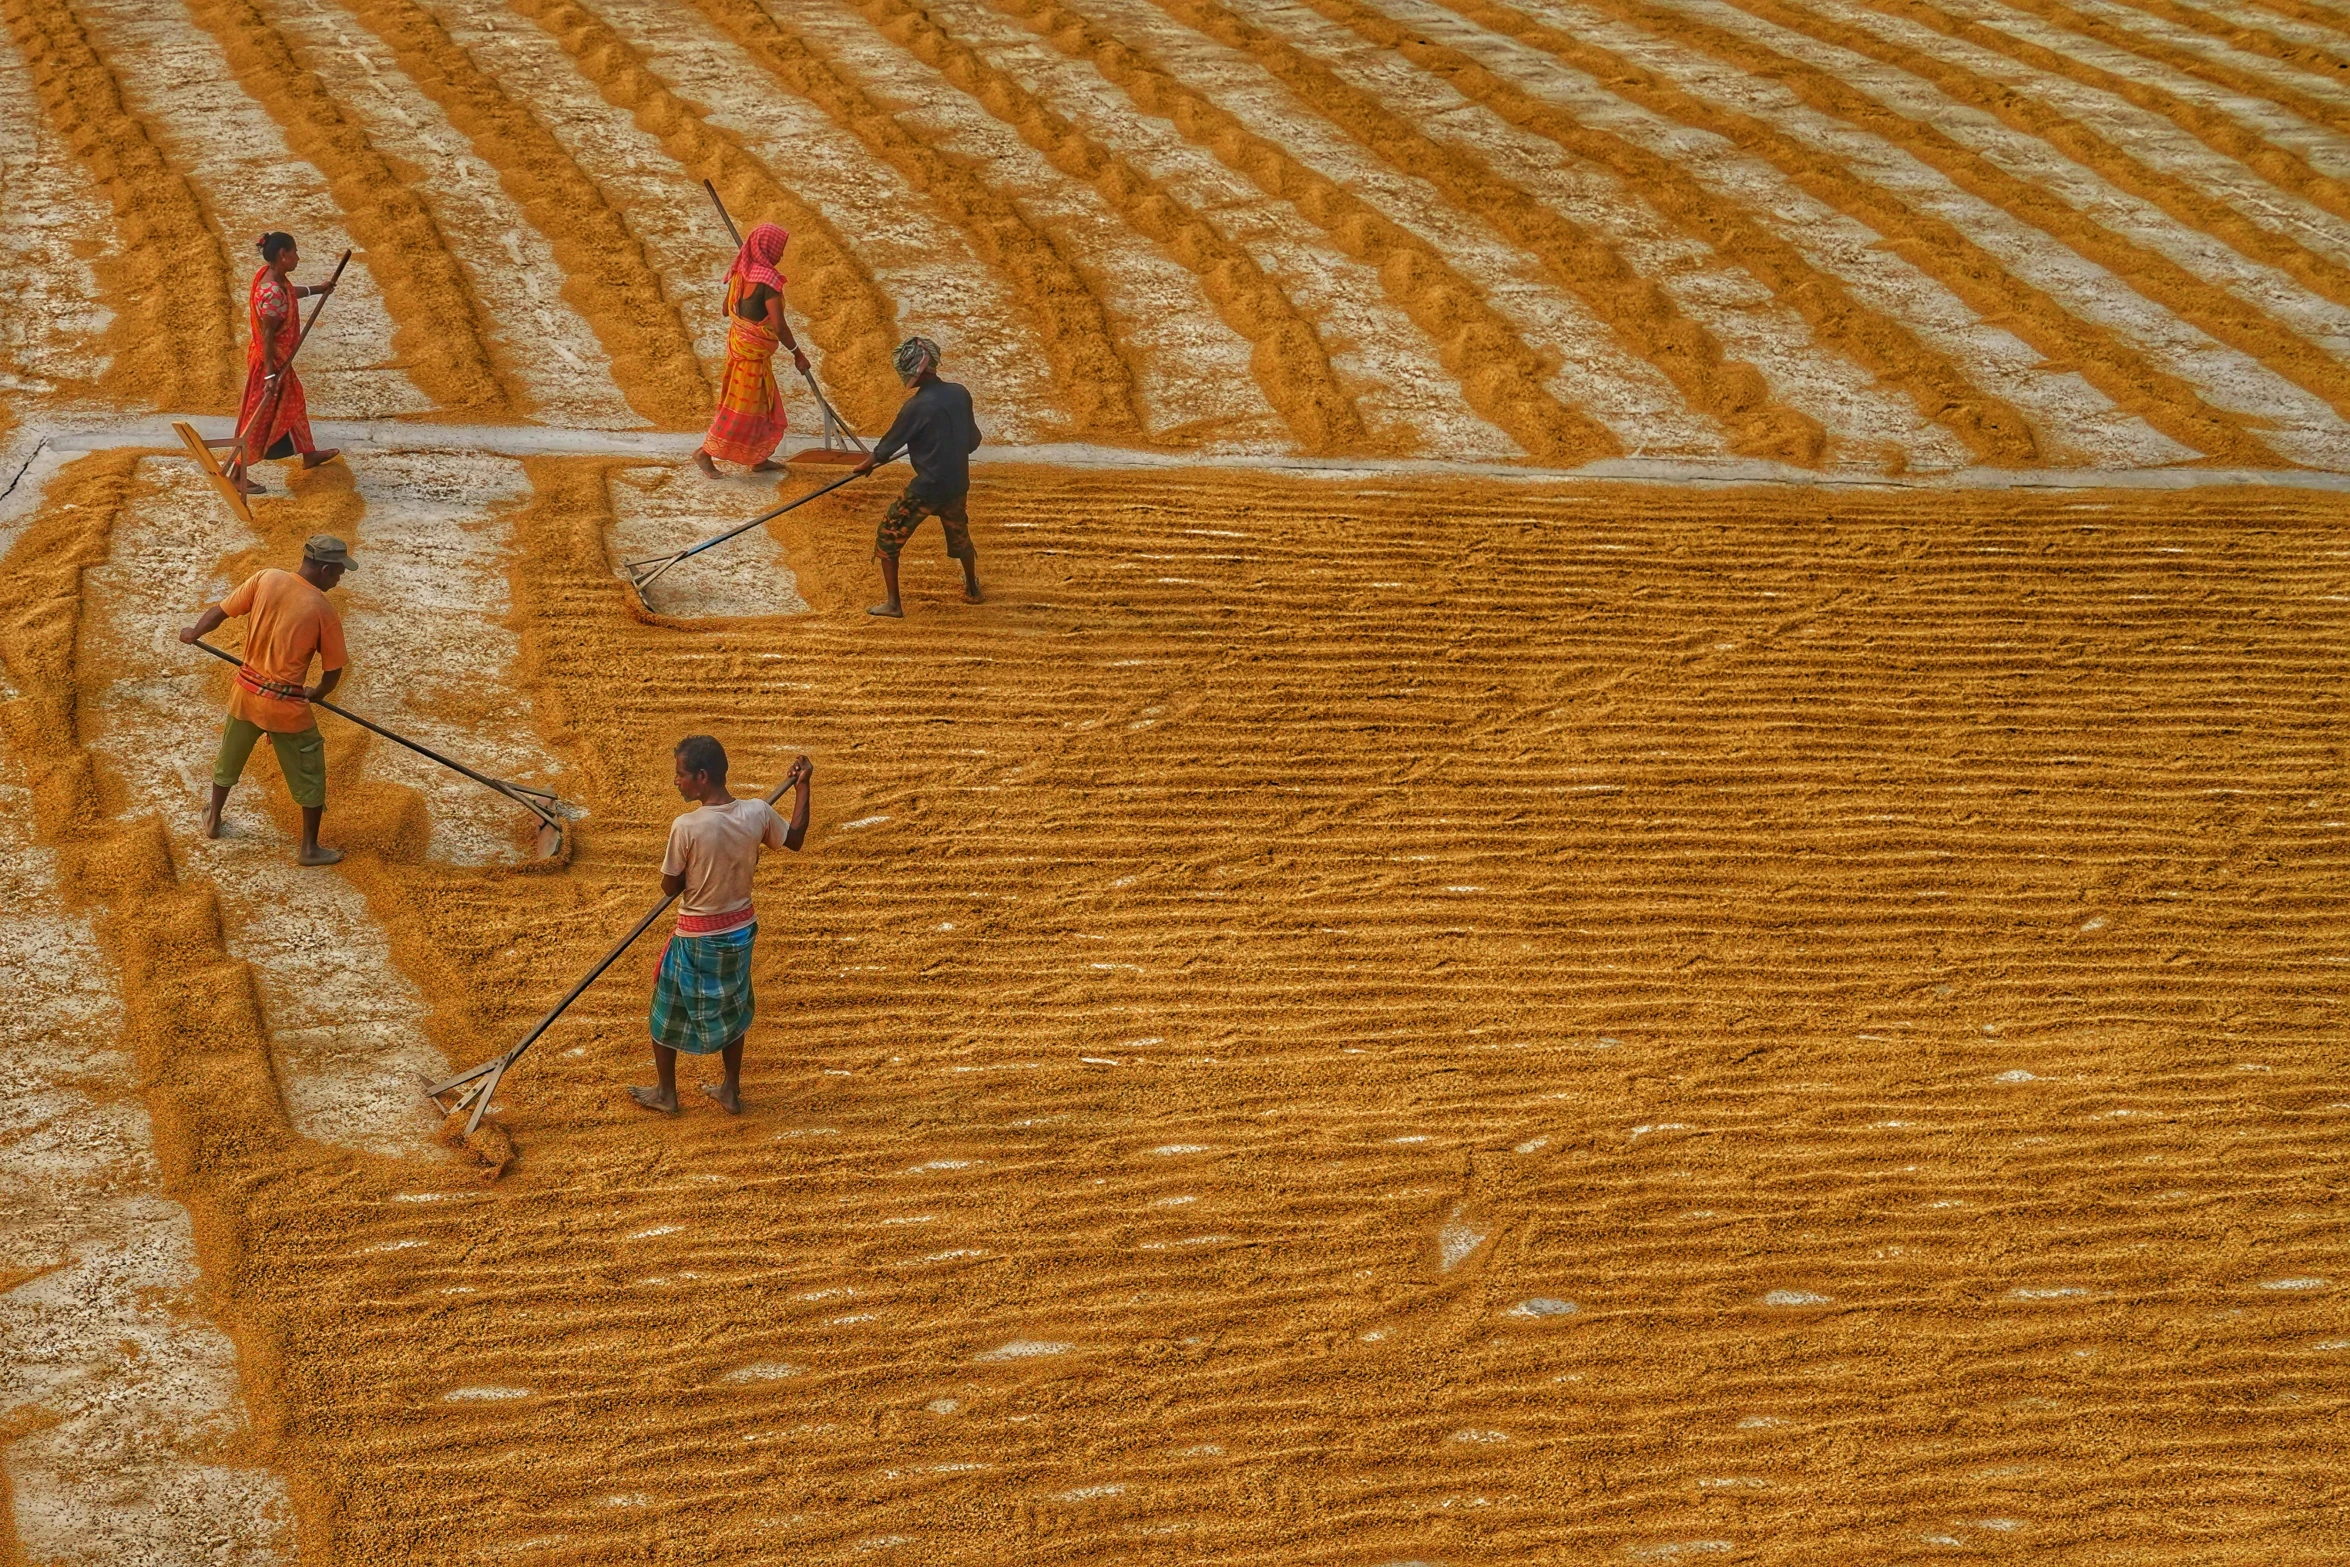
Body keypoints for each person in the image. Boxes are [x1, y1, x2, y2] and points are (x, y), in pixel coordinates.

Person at [633, 737, 812, 1116]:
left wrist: (691, 876)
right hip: (740, 931)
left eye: (680, 775)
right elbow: (794, 839)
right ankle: (730, 1089)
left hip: (697, 938)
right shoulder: (757, 813)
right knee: (733, 1006)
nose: (676, 781)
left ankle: (667, 1093)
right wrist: (803, 787)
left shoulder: (686, 826)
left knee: (664, 1009)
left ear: (702, 777)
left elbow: (670, 886)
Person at [177, 536, 356, 866]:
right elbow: (334, 670)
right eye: (339, 573)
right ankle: (309, 849)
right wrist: (317, 693)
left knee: (228, 759)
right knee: (310, 773)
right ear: (326, 569)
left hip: (245, 694)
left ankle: (214, 819)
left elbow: (219, 612)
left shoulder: (266, 578)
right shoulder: (322, 610)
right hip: (285, 708)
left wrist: (194, 634)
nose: (340, 579)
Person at [855, 336, 983, 618]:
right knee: (960, 535)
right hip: (957, 483)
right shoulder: (960, 393)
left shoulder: (916, 407)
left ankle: (893, 604)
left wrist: (867, 464)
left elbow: (888, 445)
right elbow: (974, 440)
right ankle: (972, 588)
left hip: (927, 488)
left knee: (888, 536)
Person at [227, 232, 341, 497]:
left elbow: (290, 293)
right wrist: (269, 376)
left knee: (295, 403)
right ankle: (235, 473)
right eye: (295, 252)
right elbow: (268, 336)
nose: (297, 257)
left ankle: (309, 454)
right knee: (259, 417)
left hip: (277, 363)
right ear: (283, 255)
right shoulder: (273, 292)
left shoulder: (272, 278)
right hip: (269, 364)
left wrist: (317, 289)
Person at [695, 222, 811, 479]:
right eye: (778, 250)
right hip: (751, 356)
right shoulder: (769, 283)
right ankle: (705, 452)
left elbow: (727, 310)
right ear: (766, 249)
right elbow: (780, 327)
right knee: (741, 410)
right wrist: (798, 354)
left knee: (761, 408)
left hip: (740, 348)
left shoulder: (739, 272)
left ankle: (759, 458)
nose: (780, 255)